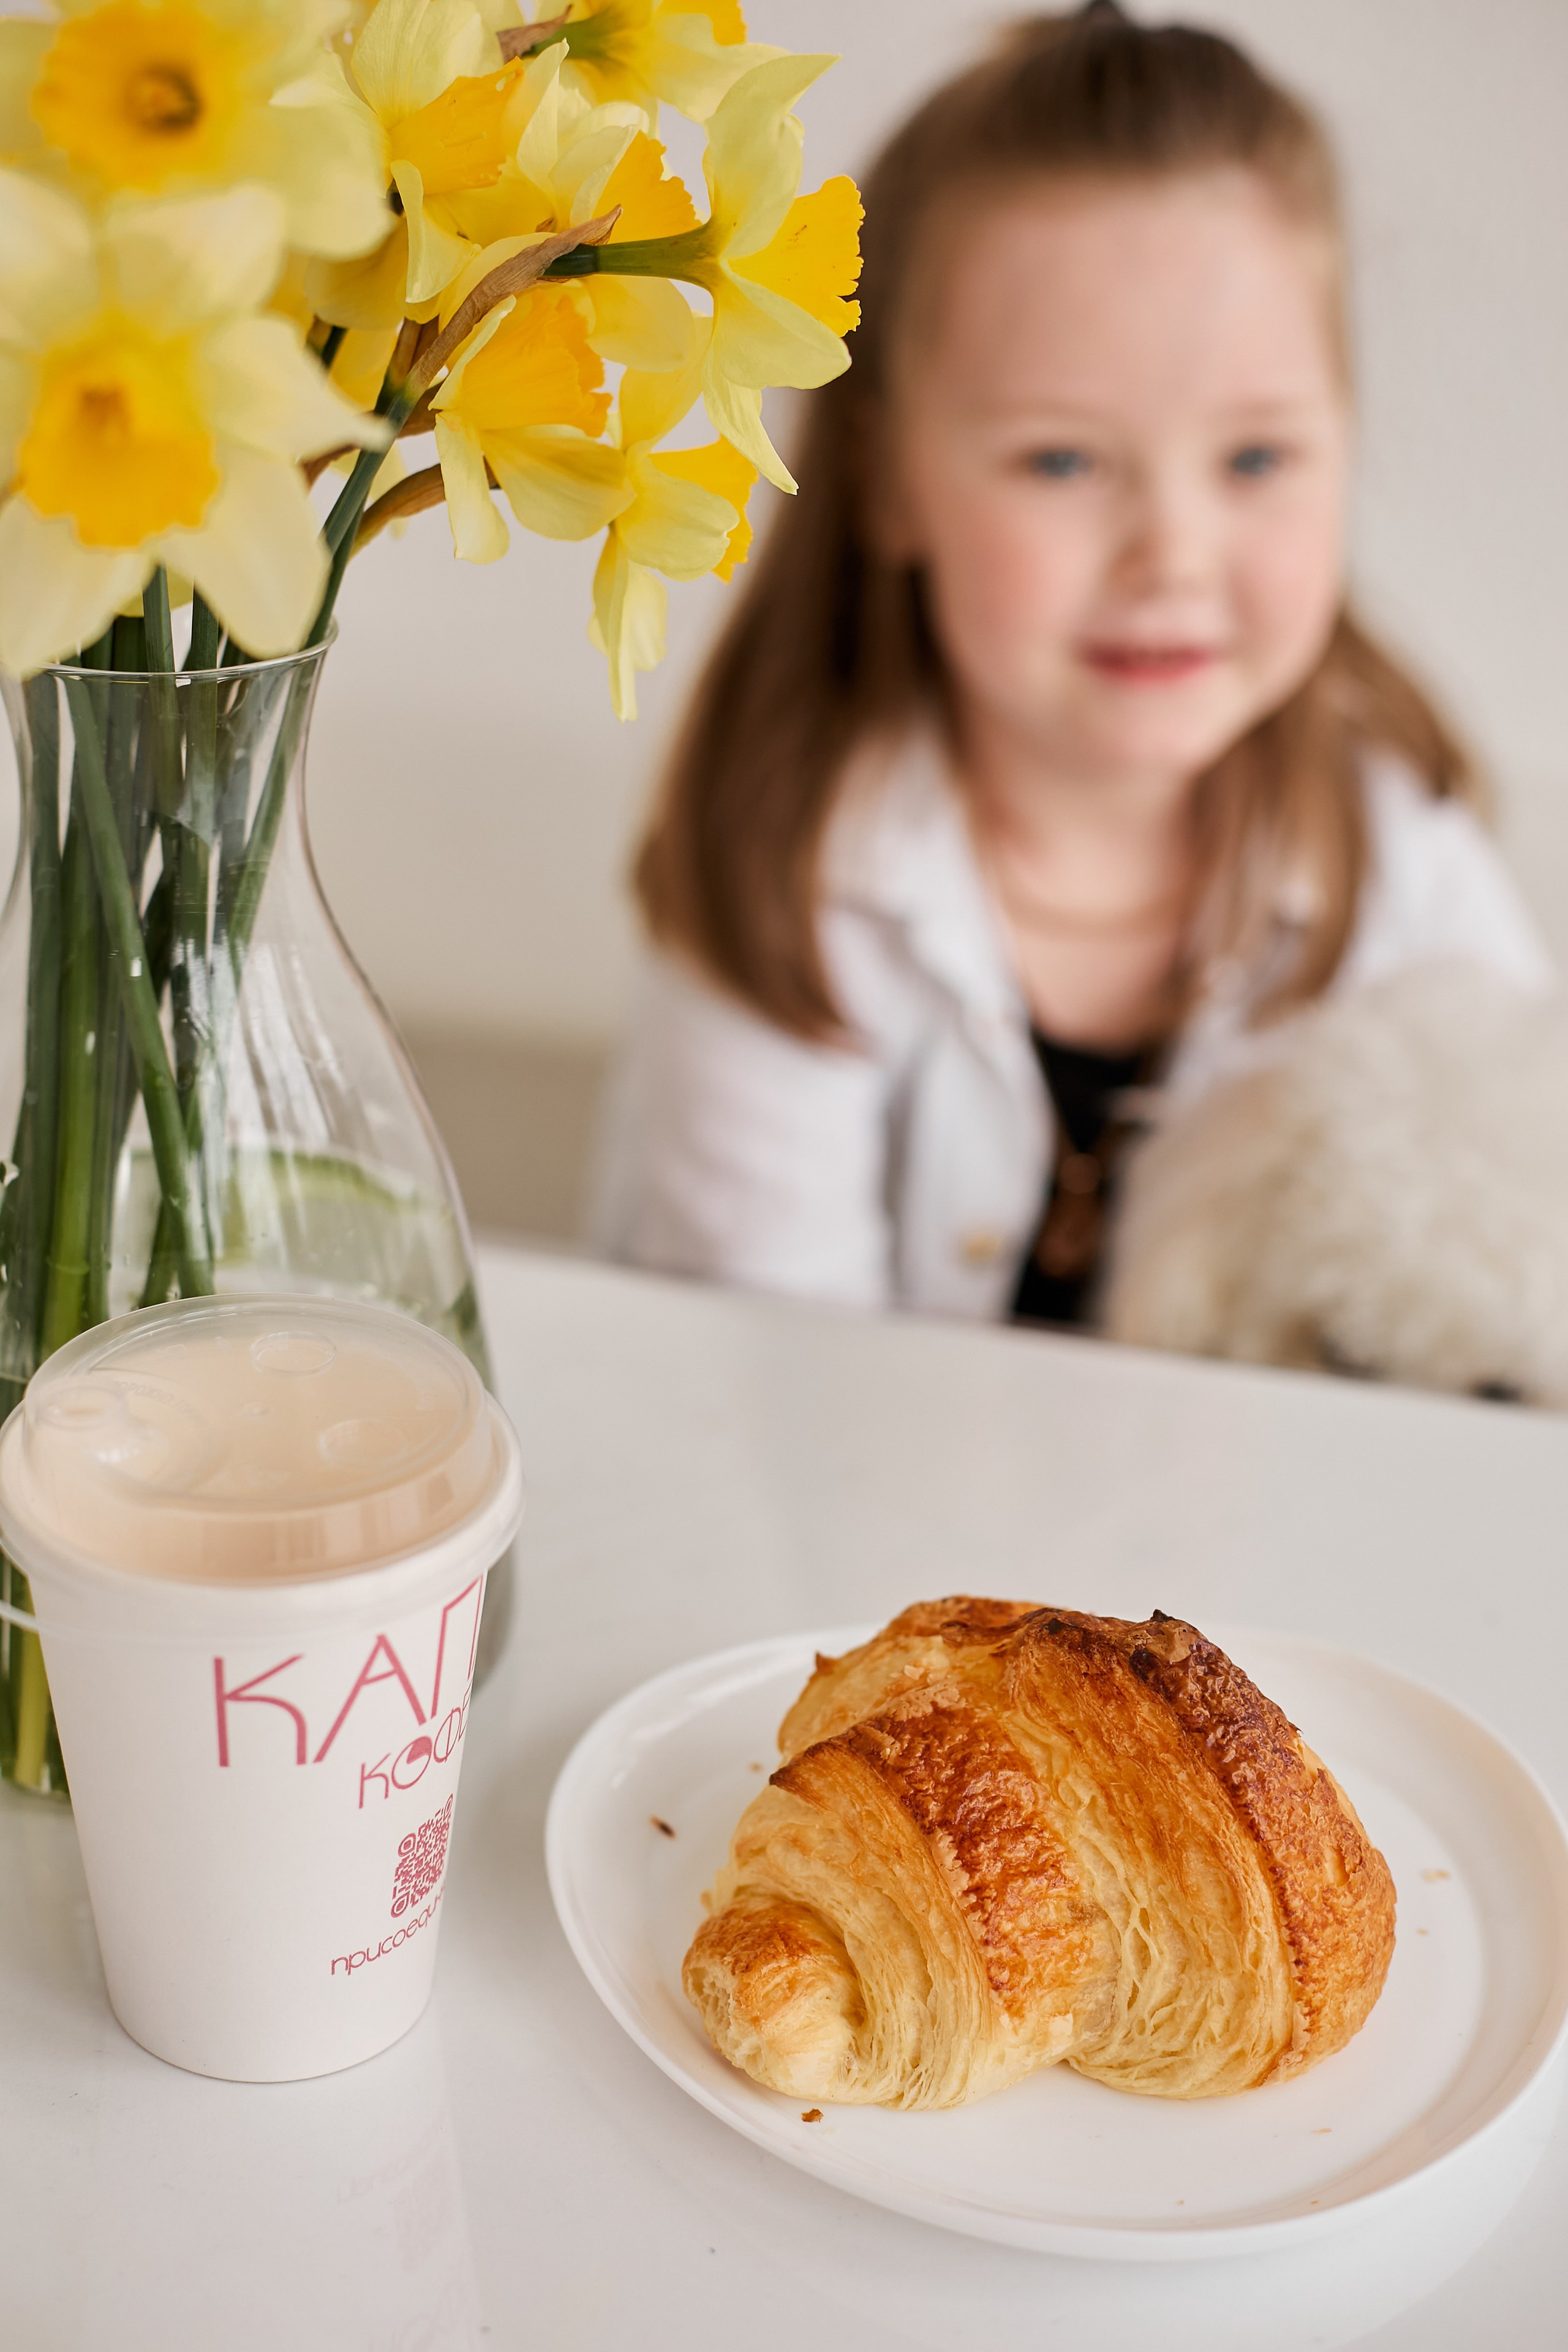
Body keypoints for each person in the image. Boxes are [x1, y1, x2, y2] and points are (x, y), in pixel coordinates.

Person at [591, 2, 1550, 1325]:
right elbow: (765, 1380)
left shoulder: (1400, 868)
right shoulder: (791, 883)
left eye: (1254, 458)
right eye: (1061, 460)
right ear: (887, 482)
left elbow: (1516, 1274)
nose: (1172, 555)